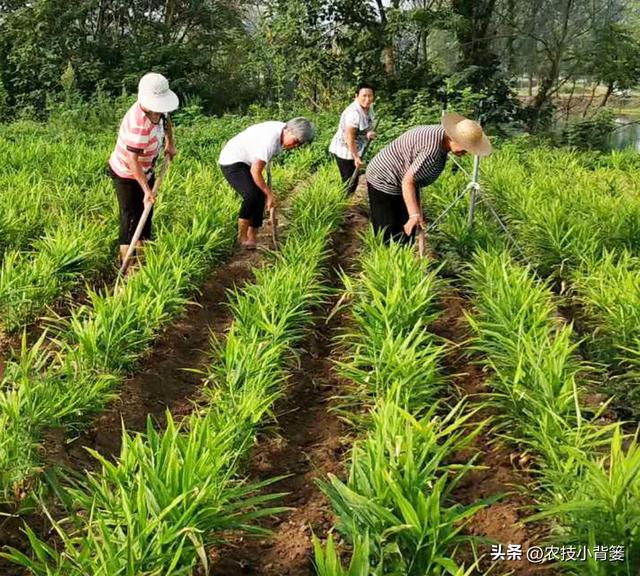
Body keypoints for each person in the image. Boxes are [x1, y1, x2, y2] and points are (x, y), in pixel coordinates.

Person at [365, 112, 492, 244]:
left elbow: (414, 176)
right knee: (390, 233)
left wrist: (416, 212)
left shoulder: (440, 135)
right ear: (453, 138)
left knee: (407, 230)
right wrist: (414, 214)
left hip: (401, 178)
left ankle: (404, 254)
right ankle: (388, 260)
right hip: (384, 178)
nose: (466, 152)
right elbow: (408, 181)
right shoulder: (432, 151)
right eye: (465, 147)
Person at [108, 72, 178, 271]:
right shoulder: (138, 123)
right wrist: (146, 190)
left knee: (146, 218)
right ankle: (128, 268)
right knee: (131, 219)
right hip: (126, 174)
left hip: (146, 169)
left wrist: (170, 143)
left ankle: (142, 265)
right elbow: (132, 161)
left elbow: (166, 121)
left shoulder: (159, 110)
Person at [219, 118, 315, 249]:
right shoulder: (270, 140)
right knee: (251, 195)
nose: (294, 146)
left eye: (299, 145)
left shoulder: (283, 132)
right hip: (232, 160)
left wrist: (266, 194)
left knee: (260, 195)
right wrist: (270, 195)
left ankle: (252, 236)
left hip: (248, 160)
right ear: (289, 131)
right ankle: (241, 237)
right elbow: (255, 171)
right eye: (296, 142)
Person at [329, 82, 376, 195]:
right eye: (364, 96)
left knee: (354, 179)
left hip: (355, 147)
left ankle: (347, 202)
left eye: (370, 96)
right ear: (356, 96)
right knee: (349, 181)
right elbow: (349, 138)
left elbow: (365, 126)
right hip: (345, 150)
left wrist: (368, 134)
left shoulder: (369, 108)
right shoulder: (353, 113)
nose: (367, 99)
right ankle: (343, 204)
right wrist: (356, 157)